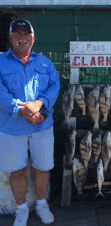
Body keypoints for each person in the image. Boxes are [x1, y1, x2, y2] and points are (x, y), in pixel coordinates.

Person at [0, 19, 60, 225]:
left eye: (26, 34)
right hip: (11, 127)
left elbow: (54, 86)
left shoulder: (45, 62)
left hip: (41, 125)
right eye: (17, 34)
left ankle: (42, 205)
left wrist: (39, 106)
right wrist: (21, 109)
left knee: (42, 167)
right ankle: (21, 209)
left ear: (33, 38)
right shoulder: (0, 62)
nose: (22, 38)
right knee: (17, 170)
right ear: (10, 37)